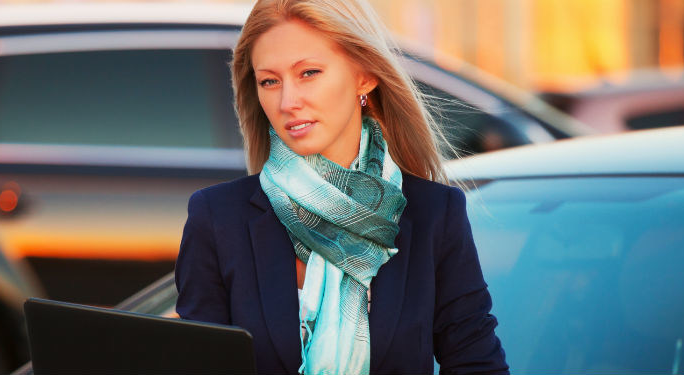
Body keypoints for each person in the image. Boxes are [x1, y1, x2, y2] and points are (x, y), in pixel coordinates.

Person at [173, 0, 509, 374]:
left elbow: (477, 364)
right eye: (270, 81)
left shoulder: (434, 214)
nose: (288, 101)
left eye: (309, 73)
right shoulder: (218, 218)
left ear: (364, 76)